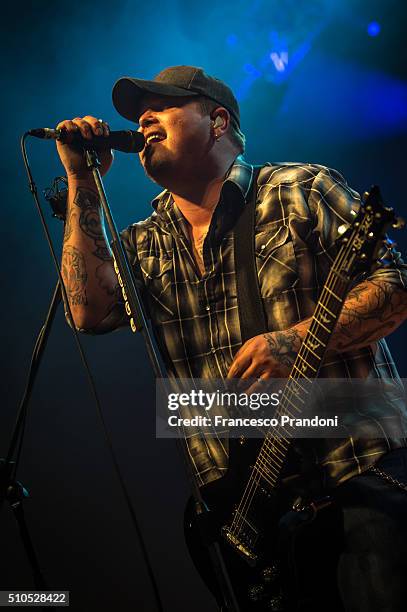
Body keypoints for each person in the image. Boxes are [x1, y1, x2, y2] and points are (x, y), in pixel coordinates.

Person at [56, 66, 407, 611]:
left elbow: (397, 284)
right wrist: (83, 182)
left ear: (218, 121)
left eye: (162, 106)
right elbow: (87, 312)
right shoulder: (144, 245)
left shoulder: (301, 189)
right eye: (138, 113)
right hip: (250, 526)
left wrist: (297, 340)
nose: (143, 118)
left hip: (360, 483)